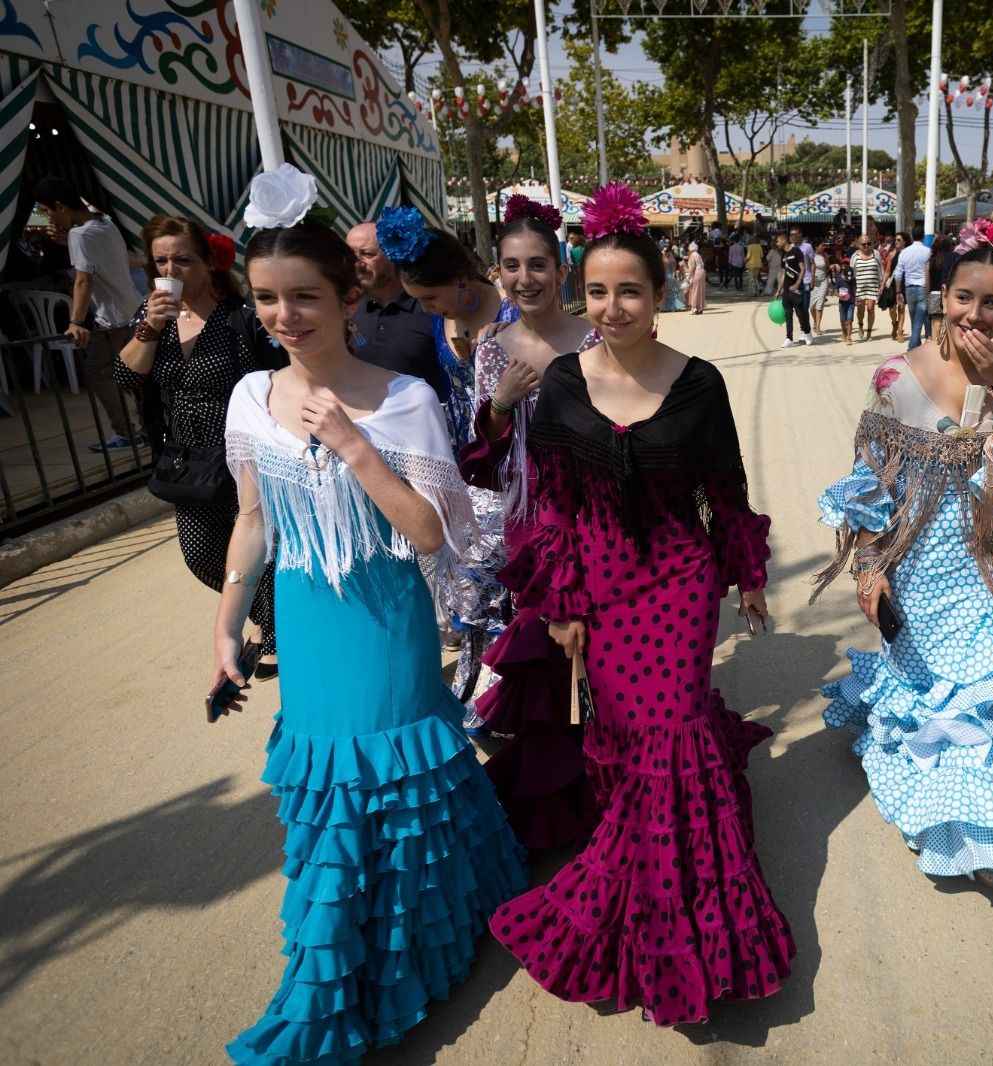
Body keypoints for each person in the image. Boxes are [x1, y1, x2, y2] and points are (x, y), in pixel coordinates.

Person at [214, 166, 526, 1063]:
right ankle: (355, 960)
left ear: (348, 297)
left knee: (397, 780)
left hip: (388, 622)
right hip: (309, 620)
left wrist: (353, 445)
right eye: (266, 298)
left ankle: (397, 960)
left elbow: (431, 531)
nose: (284, 316)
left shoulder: (403, 399)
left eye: (304, 296)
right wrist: (226, 628)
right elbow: (253, 520)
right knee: (331, 790)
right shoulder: (250, 397)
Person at [488, 183, 795, 1025]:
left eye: (630, 290)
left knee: (673, 731)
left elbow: (725, 491)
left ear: (662, 295)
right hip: (601, 586)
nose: (612, 307)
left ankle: (682, 910)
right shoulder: (561, 383)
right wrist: (561, 602)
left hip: (679, 583)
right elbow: (554, 506)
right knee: (625, 734)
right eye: (596, 290)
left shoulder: (699, 384)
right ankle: (650, 860)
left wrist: (749, 574)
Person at [813, 218, 993, 885]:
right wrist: (870, 567)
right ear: (942, 295)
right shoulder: (895, 374)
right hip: (911, 566)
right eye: (964, 297)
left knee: (975, 688)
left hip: (978, 566)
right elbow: (869, 478)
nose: (976, 314)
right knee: (926, 689)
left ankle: (982, 828)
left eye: (992, 302)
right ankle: (941, 808)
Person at [457, 197, 600, 849]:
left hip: (596, 521)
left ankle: (607, 784)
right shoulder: (492, 351)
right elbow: (481, 456)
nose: (525, 278)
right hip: (530, 526)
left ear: (563, 269)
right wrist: (501, 405)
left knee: (599, 653)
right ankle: (558, 798)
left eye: (538, 264)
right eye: (512, 266)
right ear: (498, 274)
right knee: (548, 658)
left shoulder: (596, 340)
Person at [115, 215, 283, 671]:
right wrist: (149, 328)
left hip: (244, 454)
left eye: (183, 260)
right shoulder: (153, 317)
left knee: (261, 546)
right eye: (161, 261)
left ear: (210, 262)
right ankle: (270, 618)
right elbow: (127, 377)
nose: (171, 270)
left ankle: (275, 635)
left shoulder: (241, 317)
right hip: (187, 459)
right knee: (202, 554)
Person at [376, 208, 511, 454]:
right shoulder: (439, 321)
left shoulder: (513, 312)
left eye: (430, 297)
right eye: (418, 300)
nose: (425, 309)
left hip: (512, 451)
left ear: (460, 278)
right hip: (462, 454)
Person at [34, 176, 142, 450]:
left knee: (100, 372)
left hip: (112, 320)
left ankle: (126, 432)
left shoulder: (79, 235)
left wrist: (76, 321)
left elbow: (83, 280)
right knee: (134, 371)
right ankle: (148, 426)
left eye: (47, 211)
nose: (48, 217)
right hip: (132, 310)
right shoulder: (105, 223)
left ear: (60, 206)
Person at [347, 221, 449, 402]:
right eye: (350, 255)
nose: (357, 263)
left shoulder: (431, 308)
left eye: (367, 254)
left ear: (393, 255)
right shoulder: (346, 309)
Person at [892, 229, 933, 349]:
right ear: (923, 237)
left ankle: (914, 346)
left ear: (912, 236)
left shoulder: (904, 252)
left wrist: (898, 291)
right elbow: (929, 270)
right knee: (918, 320)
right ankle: (912, 347)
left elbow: (898, 274)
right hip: (922, 287)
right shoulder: (928, 251)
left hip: (909, 288)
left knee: (914, 319)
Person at [780, 232, 813, 348]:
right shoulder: (783, 255)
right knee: (788, 315)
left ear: (783, 240)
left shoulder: (796, 251)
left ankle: (807, 333)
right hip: (786, 291)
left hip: (797, 290)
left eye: (778, 241)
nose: (777, 244)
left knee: (801, 314)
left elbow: (803, 269)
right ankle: (789, 338)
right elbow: (783, 274)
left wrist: (797, 284)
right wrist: (779, 290)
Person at [851, 235, 882, 341]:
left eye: (869, 243)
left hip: (872, 287)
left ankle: (869, 332)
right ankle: (860, 325)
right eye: (864, 244)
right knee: (860, 310)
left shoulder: (876, 254)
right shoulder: (855, 256)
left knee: (871, 309)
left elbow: (880, 269)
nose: (867, 246)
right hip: (859, 288)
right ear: (858, 245)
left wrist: (881, 284)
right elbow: (851, 273)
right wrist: (852, 288)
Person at [925, 233, 953, 345]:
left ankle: (935, 347)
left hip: (934, 294)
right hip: (947, 294)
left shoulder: (931, 261)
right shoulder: (951, 259)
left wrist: (928, 294)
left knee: (935, 324)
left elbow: (927, 281)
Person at [880, 233, 905, 342]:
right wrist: (882, 284)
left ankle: (900, 332)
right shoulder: (892, 254)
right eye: (895, 240)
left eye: (899, 240)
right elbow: (888, 271)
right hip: (893, 283)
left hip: (903, 283)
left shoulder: (907, 254)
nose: (896, 242)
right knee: (892, 308)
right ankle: (894, 323)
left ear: (904, 242)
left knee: (901, 307)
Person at [834, 257, 855, 343]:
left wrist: (857, 299)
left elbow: (855, 289)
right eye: (843, 264)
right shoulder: (839, 279)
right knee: (843, 320)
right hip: (842, 302)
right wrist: (839, 295)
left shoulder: (852, 278)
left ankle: (849, 337)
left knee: (849, 320)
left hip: (851, 302)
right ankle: (844, 333)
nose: (845, 265)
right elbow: (835, 292)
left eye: (846, 264)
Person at [660, 244, 687, 312]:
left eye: (666, 251)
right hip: (665, 275)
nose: (665, 252)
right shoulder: (663, 257)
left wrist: (674, 275)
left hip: (670, 276)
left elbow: (674, 268)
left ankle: (673, 306)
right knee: (666, 292)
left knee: (672, 291)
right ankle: (666, 307)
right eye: (665, 251)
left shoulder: (671, 258)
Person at [684, 240, 708, 314]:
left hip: (696, 273)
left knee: (694, 290)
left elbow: (693, 267)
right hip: (702, 272)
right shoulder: (698, 255)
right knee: (700, 290)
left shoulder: (692, 255)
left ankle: (694, 307)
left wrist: (689, 277)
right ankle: (700, 307)